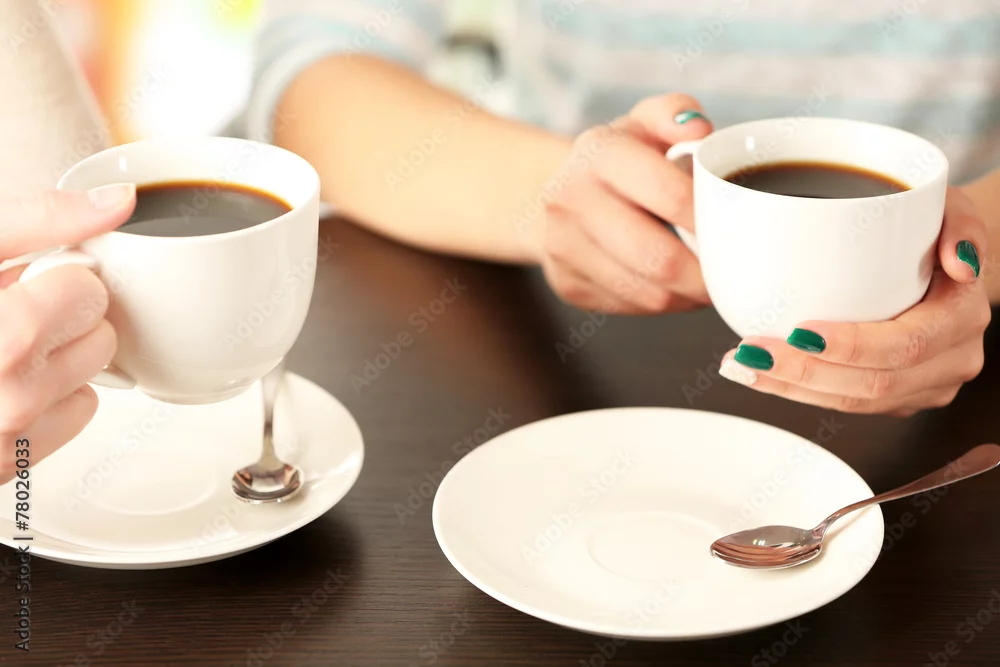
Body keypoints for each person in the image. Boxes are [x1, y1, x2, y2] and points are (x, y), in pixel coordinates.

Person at [244, 0, 999, 417]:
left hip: (968, 344)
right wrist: (551, 195)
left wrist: (980, 239)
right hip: (552, 335)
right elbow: (313, 71)